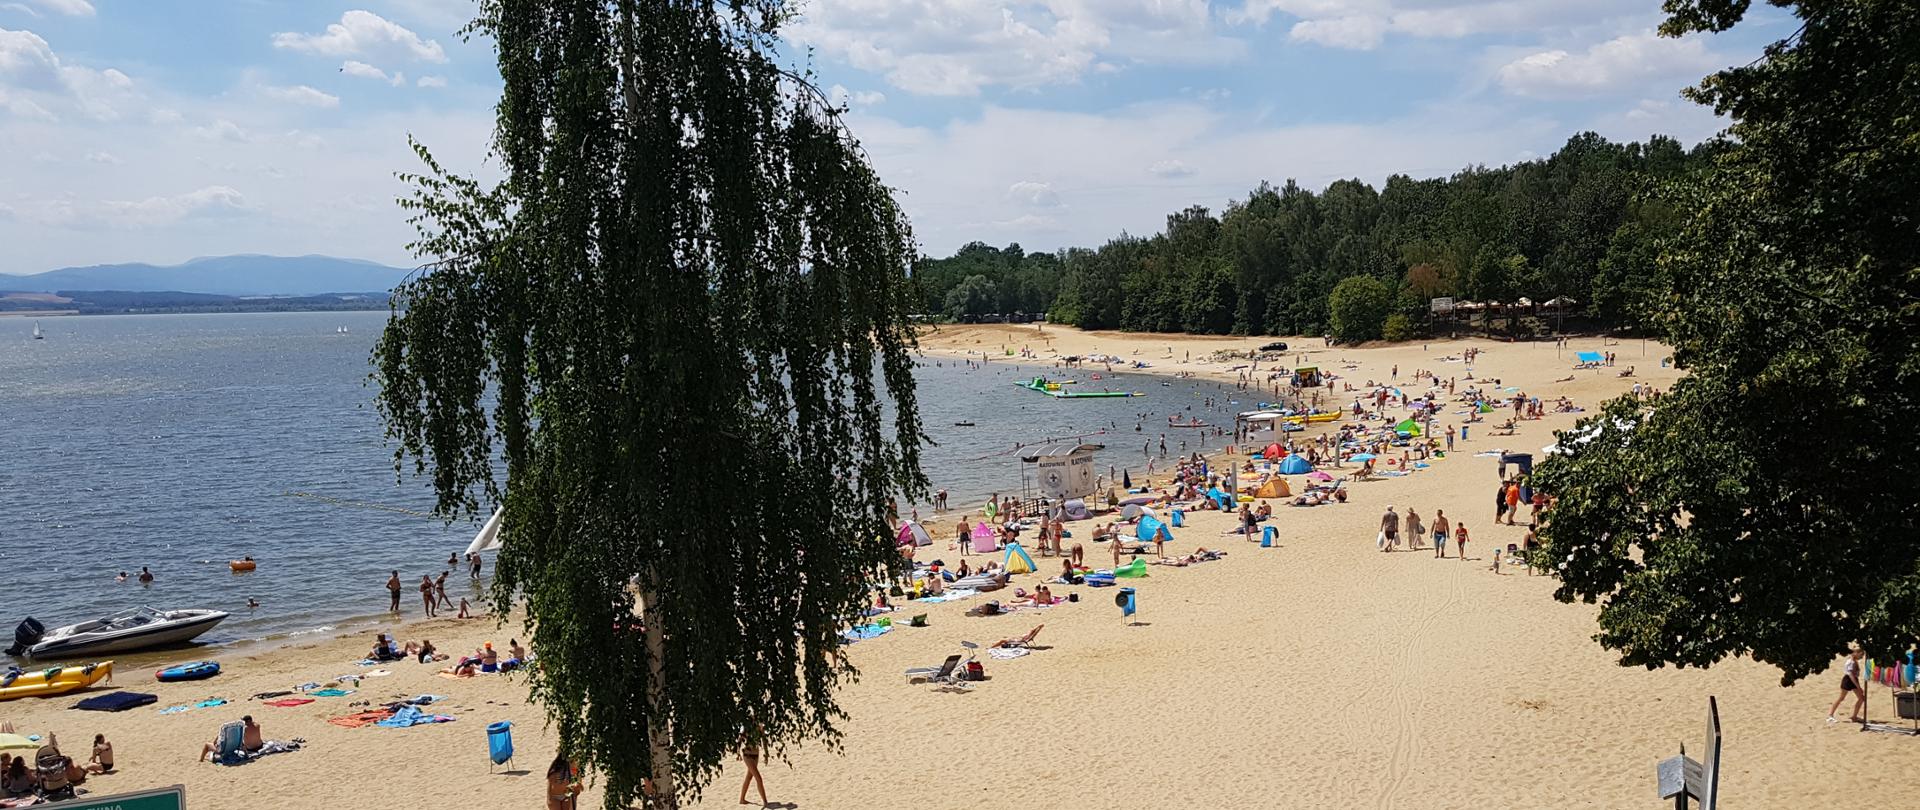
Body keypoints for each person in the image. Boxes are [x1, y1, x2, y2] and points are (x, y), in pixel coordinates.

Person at [200, 716, 264, 762]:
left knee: (207, 745)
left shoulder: (244, 729)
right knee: (242, 743)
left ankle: (201, 760)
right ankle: (246, 756)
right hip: (239, 747)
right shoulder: (257, 725)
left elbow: (214, 743)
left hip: (223, 750)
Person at [1829, 647, 1867, 724]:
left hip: (1853, 680)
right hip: (1848, 681)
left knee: (1861, 698)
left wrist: (1858, 685)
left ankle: (1854, 716)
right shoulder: (1850, 662)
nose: (1862, 657)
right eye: (1861, 655)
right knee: (1841, 698)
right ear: (1856, 653)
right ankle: (1830, 715)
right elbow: (1851, 675)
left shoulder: (1854, 661)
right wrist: (1858, 687)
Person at [738, 738, 767, 807]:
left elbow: (764, 740)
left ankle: (742, 799)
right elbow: (739, 739)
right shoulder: (747, 728)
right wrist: (738, 752)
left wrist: (766, 753)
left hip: (756, 756)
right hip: (747, 756)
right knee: (759, 779)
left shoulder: (759, 728)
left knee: (749, 777)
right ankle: (765, 801)